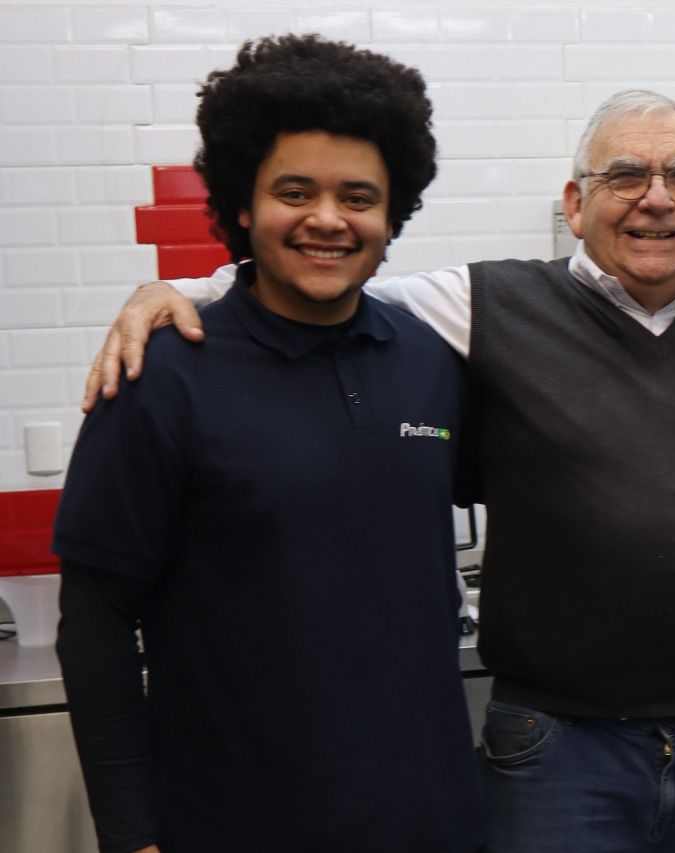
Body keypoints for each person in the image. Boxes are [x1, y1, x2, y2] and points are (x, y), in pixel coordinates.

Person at [77, 89, 675, 853]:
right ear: (576, 203)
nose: (656, 198)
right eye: (625, 175)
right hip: (560, 749)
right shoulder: (485, 303)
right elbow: (327, 284)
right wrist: (172, 293)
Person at [53, 35, 483, 853]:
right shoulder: (163, 374)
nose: (327, 218)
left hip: (431, 818)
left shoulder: (430, 362)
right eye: (295, 191)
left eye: (358, 196)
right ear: (243, 205)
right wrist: (131, 835)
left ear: (392, 215)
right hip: (234, 821)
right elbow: (97, 622)